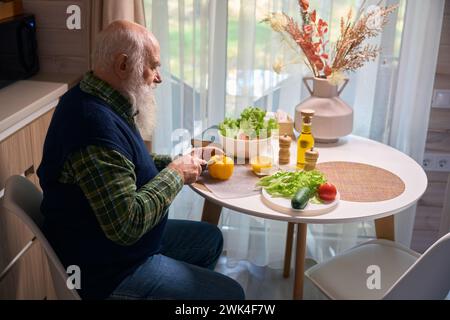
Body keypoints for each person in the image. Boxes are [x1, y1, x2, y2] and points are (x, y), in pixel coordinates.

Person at [37, 20, 245, 300]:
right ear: (123, 65)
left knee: (209, 239)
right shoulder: (91, 126)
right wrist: (176, 173)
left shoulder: (102, 99)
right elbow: (127, 225)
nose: (158, 78)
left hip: (123, 250)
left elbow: (127, 164)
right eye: (153, 66)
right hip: (109, 271)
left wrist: (181, 160)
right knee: (230, 295)